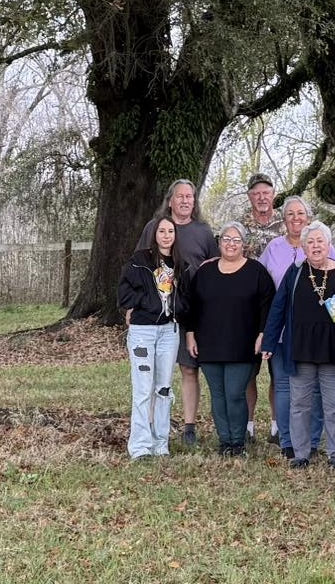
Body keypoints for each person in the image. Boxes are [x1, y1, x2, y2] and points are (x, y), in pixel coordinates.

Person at [263, 220, 335, 469]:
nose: (316, 246)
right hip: (300, 347)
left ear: (329, 244)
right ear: (304, 247)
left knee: (332, 405)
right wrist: (268, 341)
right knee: (299, 404)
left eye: (320, 241)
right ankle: (301, 454)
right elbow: (278, 308)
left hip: (333, 348)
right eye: (311, 242)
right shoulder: (295, 272)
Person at [135, 178, 217, 449]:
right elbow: (139, 267)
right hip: (158, 312)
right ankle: (151, 426)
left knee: (189, 368)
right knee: (156, 374)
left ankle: (189, 426)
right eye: (180, 196)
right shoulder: (153, 228)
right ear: (170, 200)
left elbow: (214, 267)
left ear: (194, 202)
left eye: (190, 197)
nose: (185, 201)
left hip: (193, 310)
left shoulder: (203, 232)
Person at [185, 221, 276, 457]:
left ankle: (238, 443)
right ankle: (224, 441)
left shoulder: (256, 272)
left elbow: (268, 306)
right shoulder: (205, 272)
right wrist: (190, 334)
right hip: (210, 345)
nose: (231, 244)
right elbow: (192, 307)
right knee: (218, 395)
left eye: (236, 240)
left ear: (243, 245)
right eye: (226, 239)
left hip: (243, 346)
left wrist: (263, 334)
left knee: (235, 394)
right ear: (219, 242)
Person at [118, 217, 186, 459]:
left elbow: (187, 299)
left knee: (164, 389)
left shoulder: (181, 265)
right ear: (154, 234)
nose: (166, 235)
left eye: (171, 231)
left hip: (169, 332)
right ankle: (140, 446)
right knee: (143, 388)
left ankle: (160, 443)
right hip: (143, 333)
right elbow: (124, 296)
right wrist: (148, 302)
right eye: (162, 231)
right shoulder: (139, 262)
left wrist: (177, 305)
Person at [259, 196, 321, 456]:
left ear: (308, 217)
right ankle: (287, 441)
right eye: (290, 214)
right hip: (282, 330)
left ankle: (313, 441)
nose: (296, 218)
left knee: (314, 387)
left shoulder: (320, 244)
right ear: (283, 220)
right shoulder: (273, 248)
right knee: (284, 385)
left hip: (314, 332)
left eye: (301, 213)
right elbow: (260, 285)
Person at [239, 176, 285, 437]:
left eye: (266, 192)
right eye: (256, 194)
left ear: (273, 194)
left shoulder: (285, 223)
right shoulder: (240, 226)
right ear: (250, 197)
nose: (262, 198)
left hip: (278, 308)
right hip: (248, 308)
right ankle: (248, 425)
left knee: (278, 373)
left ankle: (278, 425)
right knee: (248, 371)